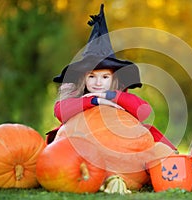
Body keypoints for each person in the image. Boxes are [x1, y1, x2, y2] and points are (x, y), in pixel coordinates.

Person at [46, 4, 176, 151]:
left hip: (115, 148)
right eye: (92, 76)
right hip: (81, 148)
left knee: (148, 134)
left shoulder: (118, 95)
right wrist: (95, 100)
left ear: (114, 79)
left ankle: (170, 158)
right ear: (83, 78)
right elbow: (60, 111)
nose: (98, 82)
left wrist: (109, 95)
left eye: (105, 77)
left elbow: (144, 111)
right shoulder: (77, 95)